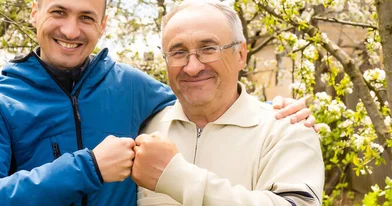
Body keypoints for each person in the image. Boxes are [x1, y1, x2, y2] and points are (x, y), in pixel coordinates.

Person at [0, 0, 316, 205]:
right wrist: (88, 168)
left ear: (104, 24)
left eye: (86, 17)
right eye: (59, 12)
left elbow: (204, 91)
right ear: (34, 12)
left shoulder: (133, 89)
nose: (72, 30)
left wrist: (277, 112)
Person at [132, 1, 324, 205]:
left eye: (208, 49)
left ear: (241, 55)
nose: (192, 67)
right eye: (178, 52)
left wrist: (176, 177)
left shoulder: (287, 131)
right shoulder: (141, 128)